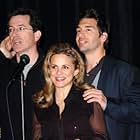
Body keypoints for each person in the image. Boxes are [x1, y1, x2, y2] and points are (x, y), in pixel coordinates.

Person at [75, 8, 140, 140]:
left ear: (103, 37)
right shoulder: (73, 73)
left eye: (88, 29)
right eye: (78, 30)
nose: (80, 35)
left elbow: (138, 111)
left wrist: (107, 104)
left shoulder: (125, 71)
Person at [32, 42, 109, 140]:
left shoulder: (88, 99)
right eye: (54, 67)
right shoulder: (41, 103)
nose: (59, 72)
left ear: (76, 71)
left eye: (65, 67)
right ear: (48, 70)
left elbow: (101, 137)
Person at [0, 8, 45, 140]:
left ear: (36, 35)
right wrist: (1, 54)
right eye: (11, 29)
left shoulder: (51, 68)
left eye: (20, 28)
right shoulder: (4, 69)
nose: (14, 34)